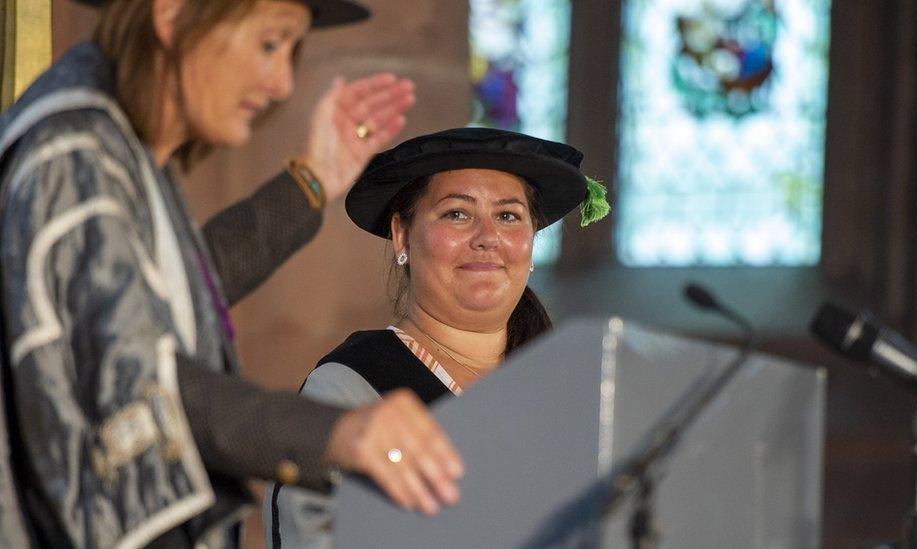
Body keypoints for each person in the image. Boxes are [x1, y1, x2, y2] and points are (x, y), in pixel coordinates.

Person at [0, 1, 464, 547]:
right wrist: (339, 431)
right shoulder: (75, 155)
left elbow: (166, 293)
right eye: (269, 44)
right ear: (172, 16)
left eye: (293, 51)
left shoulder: (113, 144)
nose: (282, 82)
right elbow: (140, 379)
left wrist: (311, 181)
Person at [266, 126, 610, 547]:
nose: (487, 238)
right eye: (457, 214)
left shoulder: (568, 386)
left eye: (508, 216)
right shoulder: (353, 386)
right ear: (402, 235)